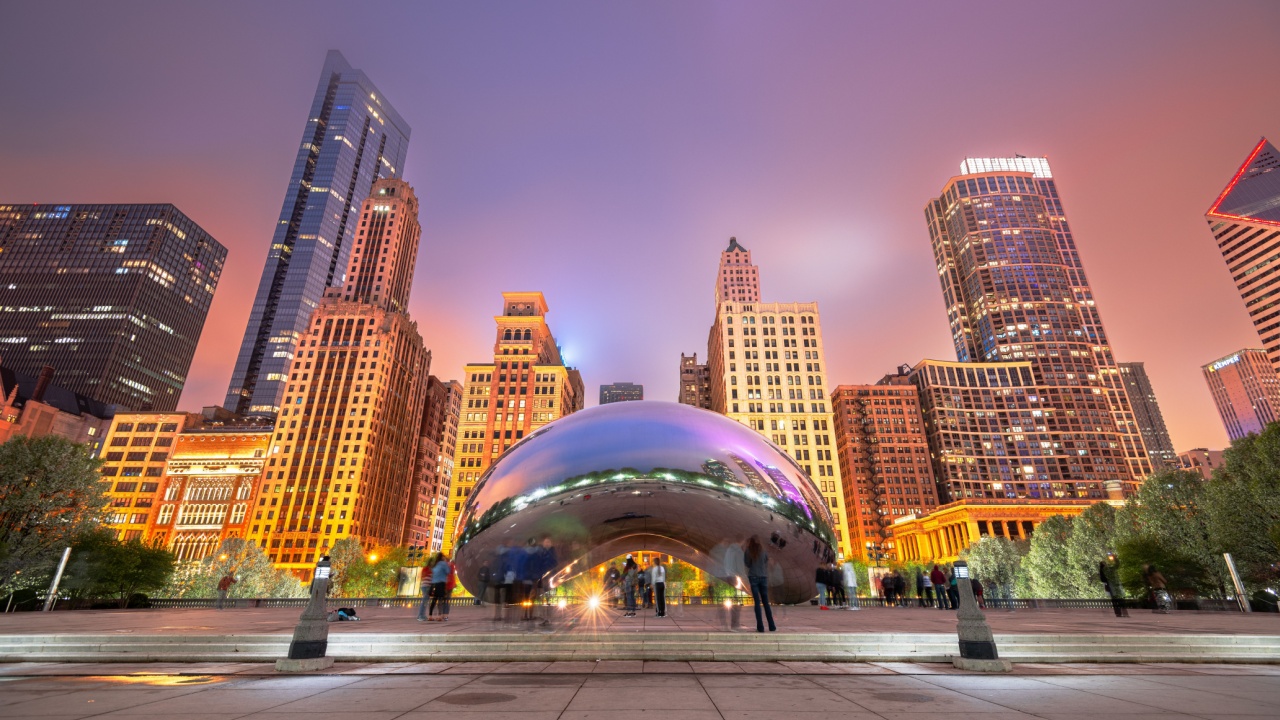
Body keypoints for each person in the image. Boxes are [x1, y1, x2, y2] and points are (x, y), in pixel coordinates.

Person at [744, 536, 776, 632]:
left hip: (753, 577)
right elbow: (766, 560)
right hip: (763, 577)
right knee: (766, 602)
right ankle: (772, 625)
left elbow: (747, 564)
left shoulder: (748, 551)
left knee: (757, 602)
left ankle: (760, 626)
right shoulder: (763, 551)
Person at [427, 552, 451, 621]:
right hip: (441, 583)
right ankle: (440, 616)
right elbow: (448, 571)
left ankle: (430, 616)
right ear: (442, 557)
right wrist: (447, 563)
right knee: (441, 599)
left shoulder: (435, 564)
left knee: (434, 600)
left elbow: (433, 573)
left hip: (434, 583)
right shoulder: (443, 564)